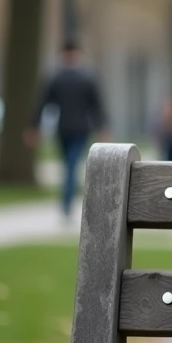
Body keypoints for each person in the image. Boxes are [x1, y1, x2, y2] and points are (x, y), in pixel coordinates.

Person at [25, 41, 108, 218]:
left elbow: (42, 104)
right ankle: (68, 199)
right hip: (80, 128)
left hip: (63, 128)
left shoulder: (55, 78)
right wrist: (102, 126)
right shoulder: (86, 78)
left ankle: (66, 201)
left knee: (68, 165)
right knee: (71, 164)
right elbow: (97, 106)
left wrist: (34, 127)